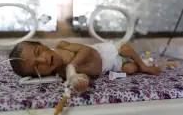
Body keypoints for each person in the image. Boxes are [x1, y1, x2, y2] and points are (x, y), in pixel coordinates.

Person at [9, 40, 161, 92]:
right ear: (39, 75)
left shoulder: (62, 46)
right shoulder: (61, 74)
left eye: (38, 52)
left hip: (106, 51)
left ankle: (145, 66)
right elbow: (86, 75)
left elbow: (86, 50)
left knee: (125, 48)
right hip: (109, 66)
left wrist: (72, 65)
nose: (42, 60)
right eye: (37, 66)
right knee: (130, 69)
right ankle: (140, 64)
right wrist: (79, 82)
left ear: (43, 45)